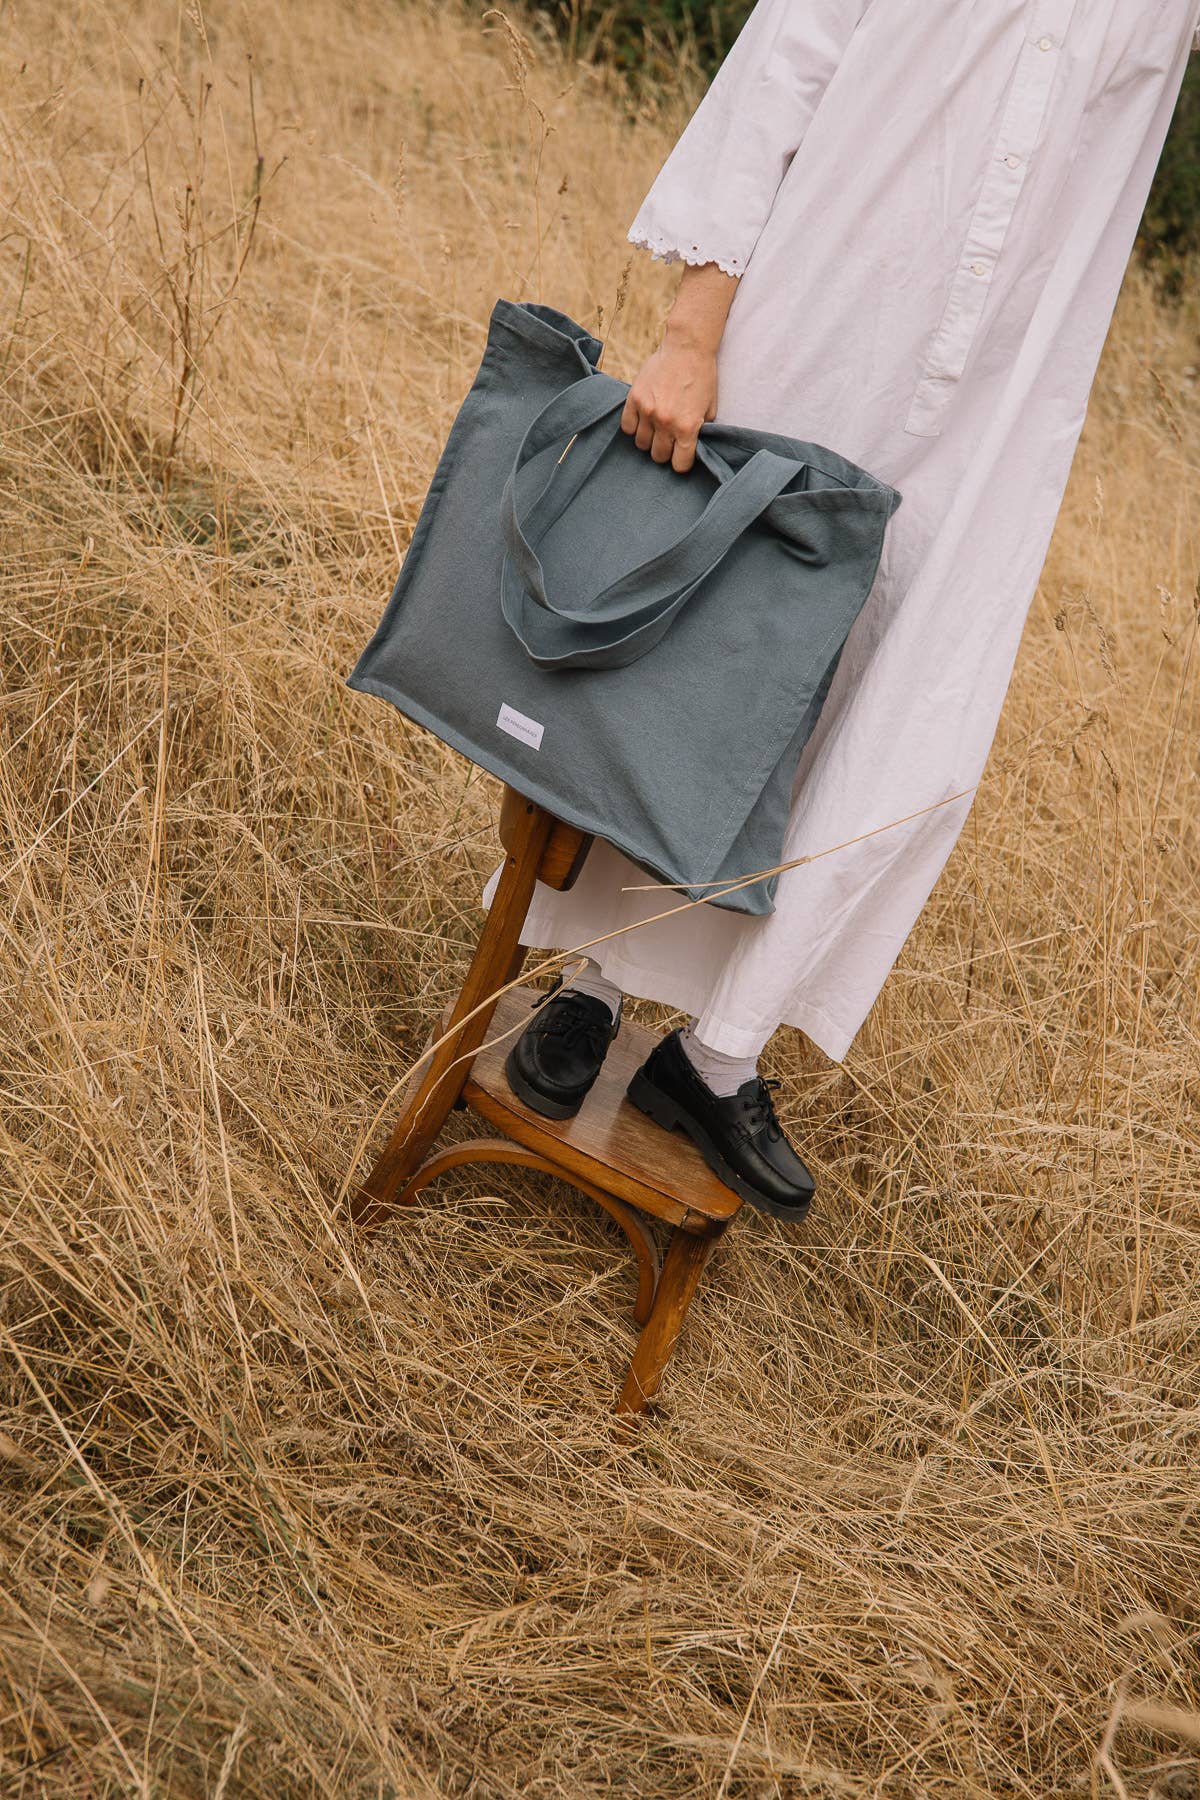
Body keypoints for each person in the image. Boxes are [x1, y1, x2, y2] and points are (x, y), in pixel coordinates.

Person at [491, 0, 1200, 1221]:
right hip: (818, 324)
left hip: (993, 409)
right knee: (696, 658)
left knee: (899, 716)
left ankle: (716, 1054)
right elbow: (785, 65)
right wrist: (689, 331)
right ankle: (592, 984)